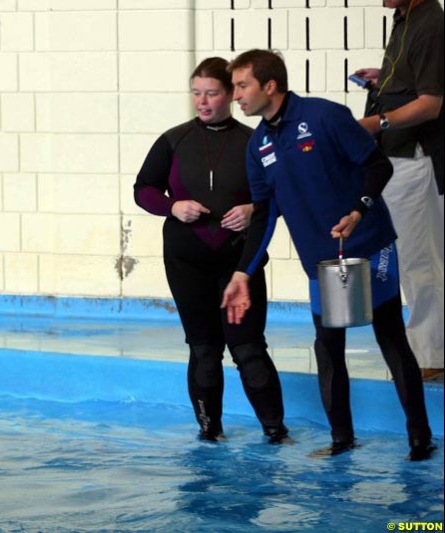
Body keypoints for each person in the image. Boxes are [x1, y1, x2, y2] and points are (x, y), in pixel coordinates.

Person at [221, 49, 434, 460]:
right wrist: (243, 272)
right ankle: (341, 439)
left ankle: (419, 437)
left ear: (270, 86)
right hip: (322, 260)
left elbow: (378, 167)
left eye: (242, 86)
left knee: (389, 334)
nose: (236, 96)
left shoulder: (323, 117)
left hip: (372, 244)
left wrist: (358, 210)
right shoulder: (259, 144)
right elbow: (265, 214)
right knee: (327, 344)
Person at [134, 57, 288, 444]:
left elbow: (282, 192)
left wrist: (253, 208)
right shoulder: (174, 139)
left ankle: (275, 431)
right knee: (203, 349)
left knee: (248, 349)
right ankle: (210, 432)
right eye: (196, 93)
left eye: (212, 93)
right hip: (187, 262)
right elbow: (143, 189)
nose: (202, 102)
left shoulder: (254, 141)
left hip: (239, 261)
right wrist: (172, 206)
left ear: (231, 94)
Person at [354, 0, 444, 382]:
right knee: (415, 259)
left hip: (414, 154)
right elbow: (417, 82)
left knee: (418, 260)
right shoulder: (405, 17)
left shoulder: (430, 24)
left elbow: (431, 103)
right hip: (399, 154)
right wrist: (384, 80)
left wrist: (377, 122)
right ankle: (428, 346)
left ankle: (431, 355)